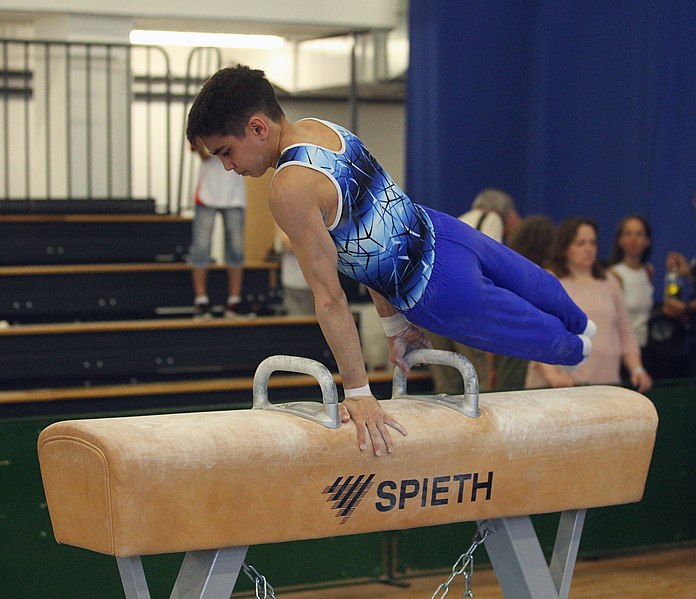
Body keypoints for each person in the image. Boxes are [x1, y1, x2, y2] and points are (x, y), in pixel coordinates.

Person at [186, 65, 593, 456]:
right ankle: (584, 323)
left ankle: (580, 345)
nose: (227, 165)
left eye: (226, 151)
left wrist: (359, 392)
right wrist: (396, 328)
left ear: (257, 127)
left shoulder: (288, 189)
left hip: (438, 291)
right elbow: (370, 247)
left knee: (546, 341)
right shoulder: (322, 129)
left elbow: (330, 299)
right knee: (535, 283)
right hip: (445, 231)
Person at [525, 217, 652, 393]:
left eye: (593, 243)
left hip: (605, 383)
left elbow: (626, 334)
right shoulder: (550, 280)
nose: (588, 249)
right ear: (565, 247)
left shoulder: (610, 281)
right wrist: (553, 375)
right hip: (560, 385)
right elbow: (539, 332)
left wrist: (637, 369)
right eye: (581, 243)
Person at [425, 188, 520, 393]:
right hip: (460, 305)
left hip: (428, 305)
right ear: (500, 210)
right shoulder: (491, 218)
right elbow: (488, 267)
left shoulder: (455, 221)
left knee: (446, 385)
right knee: (478, 383)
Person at [189, 139, 248, 319]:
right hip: (207, 192)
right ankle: (201, 300)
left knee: (236, 248)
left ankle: (234, 301)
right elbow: (202, 154)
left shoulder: (239, 122)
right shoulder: (204, 125)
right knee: (201, 246)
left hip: (235, 194)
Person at [495, 214, 555, 391]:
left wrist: (492, 368)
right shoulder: (546, 280)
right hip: (529, 358)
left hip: (506, 356)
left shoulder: (508, 275)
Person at [608, 215, 654, 353]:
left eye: (639, 234)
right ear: (620, 240)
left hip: (645, 347)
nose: (633, 239)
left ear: (647, 241)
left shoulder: (648, 271)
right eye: (628, 234)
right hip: (622, 349)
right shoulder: (614, 275)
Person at [275, 225, 315, 316]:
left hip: (320, 284)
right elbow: (287, 244)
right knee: (298, 326)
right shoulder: (283, 215)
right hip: (294, 285)